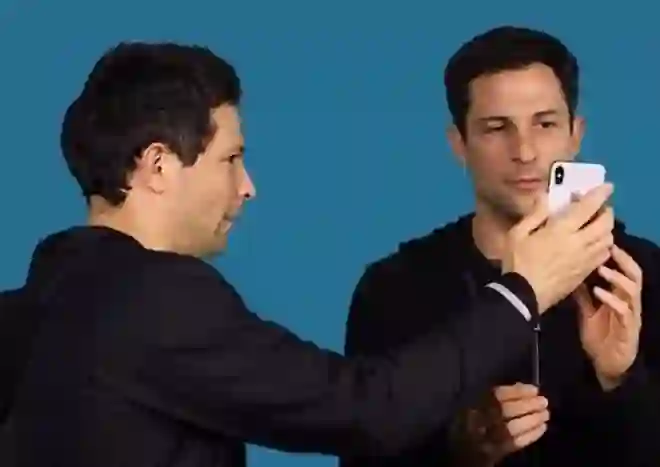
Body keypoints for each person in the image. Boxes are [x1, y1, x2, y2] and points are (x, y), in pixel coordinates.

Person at [0, 41, 615, 467]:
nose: (247, 186)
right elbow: (370, 410)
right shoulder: (156, 298)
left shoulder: (28, 308)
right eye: (231, 158)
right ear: (159, 165)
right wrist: (523, 290)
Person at [341, 26, 660, 467]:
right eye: (496, 128)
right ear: (459, 144)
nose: (524, 151)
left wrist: (619, 380)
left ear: (575, 133)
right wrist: (459, 449)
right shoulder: (394, 288)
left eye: (545, 124)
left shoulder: (641, 274)